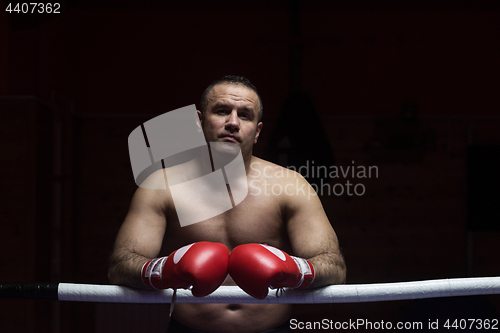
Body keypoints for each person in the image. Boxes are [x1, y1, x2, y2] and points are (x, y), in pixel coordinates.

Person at [108, 75, 346, 333]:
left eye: (245, 115)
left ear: (257, 131)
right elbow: (120, 265)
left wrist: (292, 269)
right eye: (222, 111)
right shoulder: (162, 186)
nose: (232, 122)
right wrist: (166, 270)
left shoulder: (291, 186)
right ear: (199, 122)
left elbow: (334, 266)